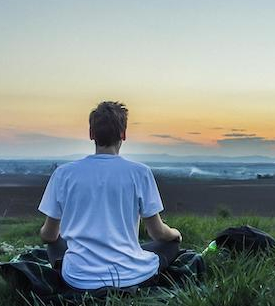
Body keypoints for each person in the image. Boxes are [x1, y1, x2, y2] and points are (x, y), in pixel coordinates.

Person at [37, 101, 182, 290]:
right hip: (130, 276)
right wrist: (175, 234)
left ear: (91, 134)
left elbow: (48, 235)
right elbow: (157, 233)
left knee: (55, 242)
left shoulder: (64, 174)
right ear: (123, 134)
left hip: (78, 279)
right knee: (170, 245)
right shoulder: (140, 172)